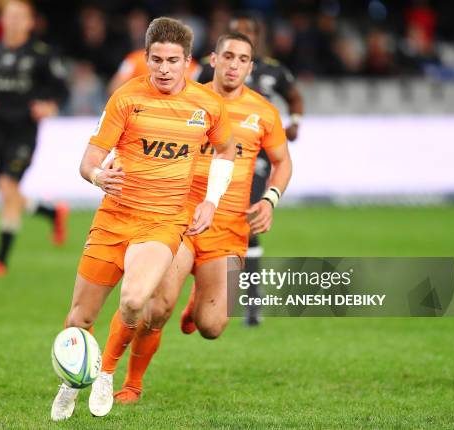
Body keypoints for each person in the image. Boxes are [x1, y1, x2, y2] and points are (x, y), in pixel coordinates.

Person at [50, 17, 236, 421]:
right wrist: (99, 176)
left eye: (173, 61)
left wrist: (211, 201)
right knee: (79, 318)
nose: (164, 69)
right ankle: (70, 382)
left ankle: (106, 373)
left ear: (188, 61)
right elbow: (89, 161)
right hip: (115, 217)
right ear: (146, 59)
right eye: (156, 60)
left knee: (135, 301)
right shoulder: (125, 98)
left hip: (163, 221)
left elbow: (226, 151)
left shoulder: (207, 105)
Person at [112, 32, 292, 404]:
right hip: (181, 221)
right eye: (228, 56)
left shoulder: (263, 112)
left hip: (227, 231)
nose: (234, 65)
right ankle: (132, 384)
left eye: (243, 59)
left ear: (251, 67)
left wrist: (270, 199)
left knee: (211, 327)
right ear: (213, 59)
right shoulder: (188, 100)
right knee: (158, 307)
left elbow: (282, 161)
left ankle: (198, 302)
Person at [197, 13, 303, 325]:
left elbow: (295, 97)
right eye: (235, 34)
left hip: (253, 157)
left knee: (246, 217)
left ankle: (251, 301)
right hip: (208, 157)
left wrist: (294, 122)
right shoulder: (206, 71)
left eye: (247, 33)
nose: (234, 63)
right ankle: (202, 290)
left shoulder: (272, 71)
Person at [0, 0, 69, 276]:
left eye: (18, 17)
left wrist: (51, 106)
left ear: (29, 22)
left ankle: (0, 261)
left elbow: (62, 89)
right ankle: (51, 213)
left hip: (24, 129)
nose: (12, 21)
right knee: (6, 189)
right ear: (2, 21)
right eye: (8, 16)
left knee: (8, 187)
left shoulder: (41, 55)